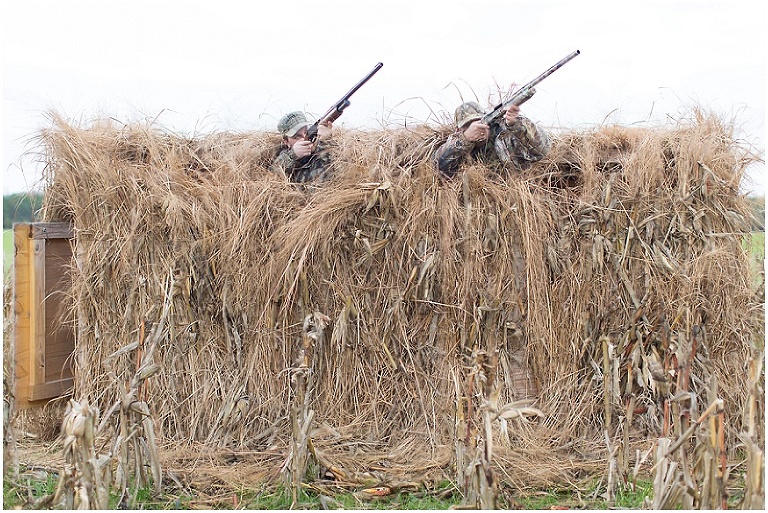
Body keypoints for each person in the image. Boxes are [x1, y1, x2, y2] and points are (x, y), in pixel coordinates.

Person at [434, 101, 551, 179]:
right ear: (459, 130)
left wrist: (517, 125)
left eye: (480, 122)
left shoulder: (505, 136)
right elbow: (439, 170)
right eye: (469, 125)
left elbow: (542, 151)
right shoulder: (456, 145)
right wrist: (465, 139)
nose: (477, 127)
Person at [270, 111, 336, 184]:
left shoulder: (324, 145)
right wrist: (293, 154)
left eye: (306, 132)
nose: (304, 138)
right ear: (287, 142)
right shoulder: (284, 159)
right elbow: (272, 172)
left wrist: (327, 142)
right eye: (297, 136)